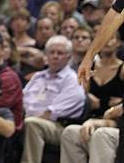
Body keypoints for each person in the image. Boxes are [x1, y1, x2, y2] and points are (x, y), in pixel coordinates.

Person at [21, 35, 86, 163]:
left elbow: (50, 113)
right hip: (28, 118)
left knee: (32, 124)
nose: (55, 56)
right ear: (46, 55)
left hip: (59, 127)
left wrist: (25, 120)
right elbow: (22, 99)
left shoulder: (72, 79)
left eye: (60, 53)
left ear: (68, 56)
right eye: (52, 52)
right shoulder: (38, 76)